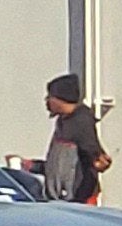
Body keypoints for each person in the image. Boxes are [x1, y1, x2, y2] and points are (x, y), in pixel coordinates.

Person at [39, 75, 111, 204]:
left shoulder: (81, 122)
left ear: (60, 99)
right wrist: (31, 166)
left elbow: (95, 157)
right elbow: (59, 165)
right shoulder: (63, 122)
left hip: (77, 200)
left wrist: (99, 161)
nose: (46, 101)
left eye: (50, 97)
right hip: (60, 201)